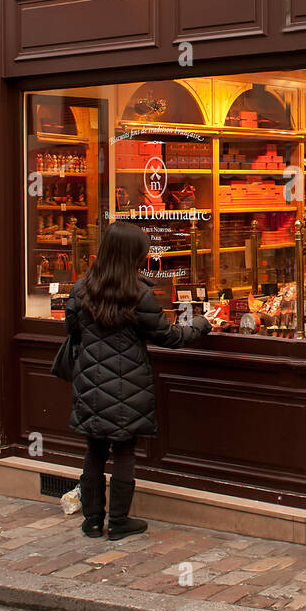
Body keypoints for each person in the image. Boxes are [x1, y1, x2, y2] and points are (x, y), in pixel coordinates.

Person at [64, 221, 210, 540]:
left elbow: (71, 328)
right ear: (133, 255)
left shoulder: (80, 288)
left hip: (89, 380)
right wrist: (200, 325)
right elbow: (167, 336)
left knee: (94, 450)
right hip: (129, 384)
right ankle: (118, 521)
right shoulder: (139, 293)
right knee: (125, 450)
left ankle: (91, 521)